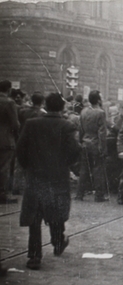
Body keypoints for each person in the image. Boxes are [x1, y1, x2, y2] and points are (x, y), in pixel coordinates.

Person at [16, 93, 81, 270]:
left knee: (35, 217)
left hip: (35, 176)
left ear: (46, 105)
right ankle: (58, 241)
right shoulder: (67, 125)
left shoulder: (32, 124)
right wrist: (65, 164)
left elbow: (21, 149)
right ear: (61, 108)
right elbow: (75, 150)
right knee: (56, 212)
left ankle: (34, 256)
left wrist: (28, 167)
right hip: (57, 176)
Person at [75, 90, 109, 202]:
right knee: (98, 170)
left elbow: (80, 129)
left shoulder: (84, 111)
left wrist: (81, 141)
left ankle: (79, 194)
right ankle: (99, 195)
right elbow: (102, 133)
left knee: (84, 169)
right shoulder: (101, 113)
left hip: (85, 143)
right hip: (96, 144)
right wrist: (103, 148)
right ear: (98, 100)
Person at [0, 80, 19, 204]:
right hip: (5, 139)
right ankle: (3, 194)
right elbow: (15, 124)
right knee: (4, 168)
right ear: (9, 90)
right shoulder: (9, 102)